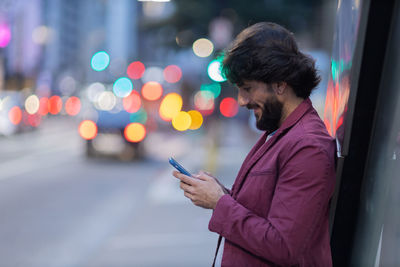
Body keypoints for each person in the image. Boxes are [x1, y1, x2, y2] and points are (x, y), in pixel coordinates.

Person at [172, 22, 336, 267]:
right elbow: (265, 210)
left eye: (248, 89)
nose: (241, 101)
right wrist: (222, 193)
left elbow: (283, 246)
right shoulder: (282, 132)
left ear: (280, 83)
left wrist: (220, 203)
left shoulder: (307, 146)